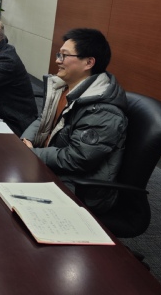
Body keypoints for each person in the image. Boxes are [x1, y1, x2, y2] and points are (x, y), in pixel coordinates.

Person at [21, 28, 127, 214]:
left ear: (88, 62)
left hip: (80, 187)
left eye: (64, 55)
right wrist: (25, 141)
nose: (57, 60)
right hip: (51, 166)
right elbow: (44, 118)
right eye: (58, 54)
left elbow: (77, 159)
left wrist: (32, 154)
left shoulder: (102, 110)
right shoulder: (66, 88)